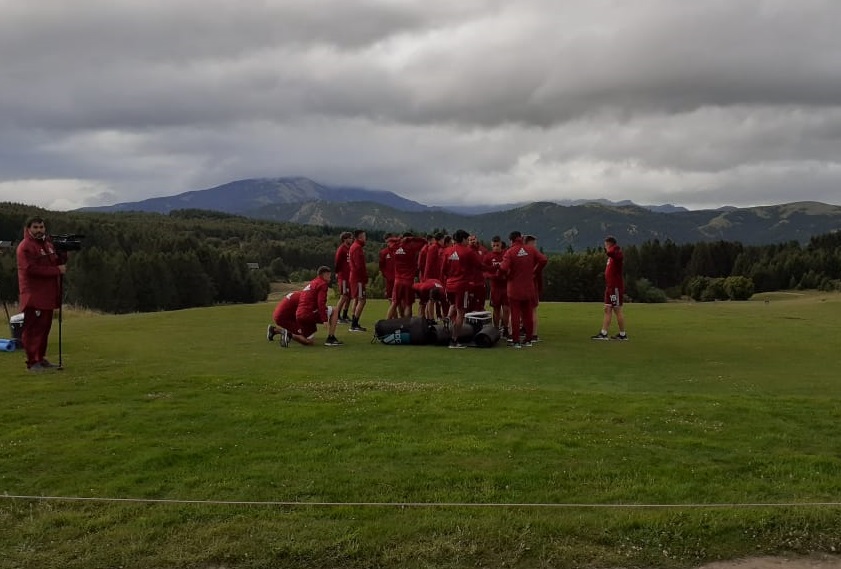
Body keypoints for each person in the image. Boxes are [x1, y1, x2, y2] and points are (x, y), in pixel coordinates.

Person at [16, 217, 67, 372]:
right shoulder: (25, 247)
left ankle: (40, 358)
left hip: (48, 294)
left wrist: (63, 251)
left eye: (42, 227)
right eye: (36, 227)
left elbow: (57, 261)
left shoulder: (47, 244)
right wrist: (56, 271)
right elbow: (30, 269)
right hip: (33, 294)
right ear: (29, 228)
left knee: (44, 328)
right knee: (33, 329)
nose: (39, 230)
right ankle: (32, 362)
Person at [500, 231, 547, 348]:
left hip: (514, 288)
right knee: (528, 314)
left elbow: (503, 268)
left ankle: (515, 341)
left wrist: (506, 274)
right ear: (520, 238)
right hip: (529, 287)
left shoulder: (510, 252)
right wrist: (535, 272)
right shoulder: (531, 250)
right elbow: (543, 260)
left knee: (515, 314)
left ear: (511, 240)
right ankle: (528, 339)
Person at [441, 229, 482, 349]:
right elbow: (479, 266)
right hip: (462, 286)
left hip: (449, 285)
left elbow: (443, 269)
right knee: (461, 312)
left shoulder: (448, 251)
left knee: (453, 305)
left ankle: (448, 318)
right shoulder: (468, 251)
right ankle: (454, 340)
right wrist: (494, 269)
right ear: (464, 239)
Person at [592, 236, 628, 341]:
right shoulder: (611, 257)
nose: (605, 248)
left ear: (610, 244)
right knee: (607, 308)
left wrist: (612, 247)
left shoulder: (617, 254)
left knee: (617, 309)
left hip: (615, 287)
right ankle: (604, 333)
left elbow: (611, 253)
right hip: (610, 287)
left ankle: (622, 334)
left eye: (606, 245)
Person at [297, 266, 343, 346]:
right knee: (335, 310)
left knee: (309, 341)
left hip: (299, 314)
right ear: (324, 274)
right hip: (309, 313)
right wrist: (324, 319)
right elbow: (320, 303)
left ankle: (288, 335)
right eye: (328, 275)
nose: (330, 277)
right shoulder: (322, 284)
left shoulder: (313, 282)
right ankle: (331, 338)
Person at [387, 232, 427, 319]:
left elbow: (389, 240)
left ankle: (386, 323)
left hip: (397, 280)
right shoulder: (411, 247)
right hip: (408, 281)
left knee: (394, 303)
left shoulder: (395, 247)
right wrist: (411, 239)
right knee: (408, 304)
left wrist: (399, 239)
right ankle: (406, 324)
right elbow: (424, 241)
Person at [483, 236, 509, 337]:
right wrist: (492, 276)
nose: (495, 247)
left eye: (497, 245)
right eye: (493, 245)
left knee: (506, 309)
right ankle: (496, 328)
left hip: (506, 287)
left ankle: (506, 328)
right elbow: (484, 271)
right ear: (491, 245)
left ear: (501, 244)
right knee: (496, 309)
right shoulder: (488, 256)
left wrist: (505, 275)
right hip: (495, 287)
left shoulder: (506, 255)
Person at [348, 229, 369, 332]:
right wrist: (364, 277)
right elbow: (359, 266)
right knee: (362, 300)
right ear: (360, 237)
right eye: (364, 236)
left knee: (357, 299)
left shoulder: (355, 247)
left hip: (355, 278)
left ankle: (354, 322)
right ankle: (354, 324)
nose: (366, 239)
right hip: (358, 279)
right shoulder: (357, 248)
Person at [524, 234, 543, 342]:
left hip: (523, 285)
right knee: (532, 310)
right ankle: (533, 334)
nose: (535, 245)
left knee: (527, 310)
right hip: (532, 286)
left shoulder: (523, 254)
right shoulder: (534, 254)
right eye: (534, 243)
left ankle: (529, 333)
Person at [333, 231, 353, 324]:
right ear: (345, 239)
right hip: (343, 276)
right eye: (349, 238)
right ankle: (336, 316)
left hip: (349, 276)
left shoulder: (349, 249)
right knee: (344, 295)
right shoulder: (341, 249)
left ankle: (345, 314)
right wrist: (337, 272)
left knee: (349, 296)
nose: (351, 239)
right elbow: (337, 262)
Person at [378, 234, 396, 304]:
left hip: (400, 279)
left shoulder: (399, 250)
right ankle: (395, 315)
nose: (390, 243)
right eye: (388, 241)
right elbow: (381, 266)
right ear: (386, 241)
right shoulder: (383, 252)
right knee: (391, 298)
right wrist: (386, 275)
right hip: (390, 280)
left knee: (401, 299)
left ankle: (402, 315)